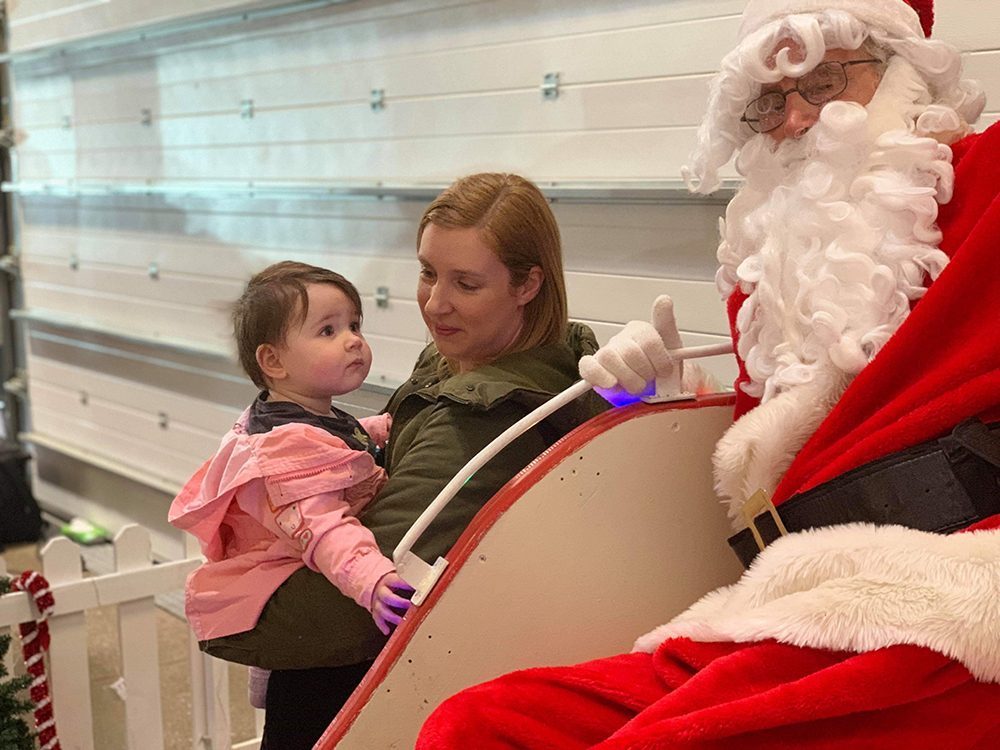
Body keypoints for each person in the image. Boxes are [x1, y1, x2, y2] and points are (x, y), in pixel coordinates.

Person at [417, 1, 1000, 747]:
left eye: (822, 82)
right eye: (767, 102)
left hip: (953, 604)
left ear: (902, 77)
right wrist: (649, 402)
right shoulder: (767, 282)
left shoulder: (985, 180)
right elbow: (766, 479)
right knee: (478, 723)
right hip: (797, 595)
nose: (793, 121)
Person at [194, 173, 608, 749]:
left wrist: (228, 616)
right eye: (427, 272)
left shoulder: (480, 415)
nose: (436, 303)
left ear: (527, 284)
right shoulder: (452, 361)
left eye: (465, 283)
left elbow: (360, 611)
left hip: (359, 692)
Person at [168, 261, 414, 709]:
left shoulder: (299, 414)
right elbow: (323, 528)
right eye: (327, 331)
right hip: (294, 579)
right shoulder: (287, 453)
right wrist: (372, 580)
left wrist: (381, 429)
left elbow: (341, 440)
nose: (353, 339)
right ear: (273, 361)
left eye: (354, 324)